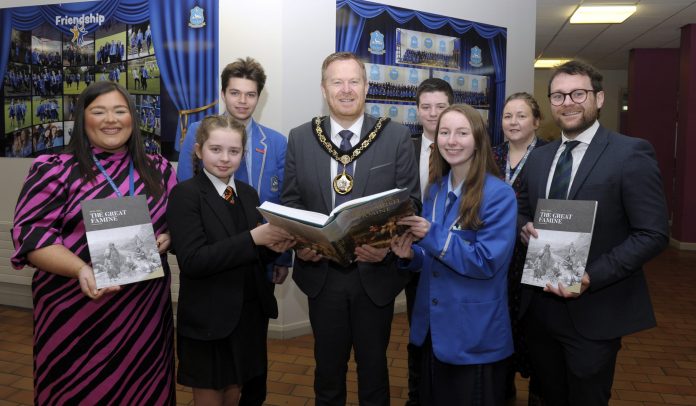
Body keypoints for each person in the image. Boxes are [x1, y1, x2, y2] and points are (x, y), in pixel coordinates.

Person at [11, 81, 177, 404]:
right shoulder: (54, 169)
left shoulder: (158, 169)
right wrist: (80, 269)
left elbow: (182, 220)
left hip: (143, 320)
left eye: (120, 110)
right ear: (82, 119)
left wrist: (171, 235)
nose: (110, 120)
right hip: (74, 317)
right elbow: (31, 235)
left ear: (133, 116)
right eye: (98, 111)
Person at [517, 60, 669, 406]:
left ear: (599, 99)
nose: (567, 102)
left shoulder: (630, 154)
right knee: (547, 394)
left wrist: (590, 277)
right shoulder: (539, 158)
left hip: (595, 308)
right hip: (540, 309)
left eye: (578, 93)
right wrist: (523, 226)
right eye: (558, 95)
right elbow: (522, 209)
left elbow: (652, 233)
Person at [281, 51, 419, 405]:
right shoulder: (300, 137)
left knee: (374, 372)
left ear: (366, 86)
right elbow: (292, 201)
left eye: (353, 81)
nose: (346, 90)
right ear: (324, 89)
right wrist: (301, 244)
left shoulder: (395, 136)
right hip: (322, 276)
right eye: (336, 82)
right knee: (327, 372)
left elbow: (410, 203)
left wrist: (387, 246)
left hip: (375, 275)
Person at [177, 57, 290, 405]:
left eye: (250, 94)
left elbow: (282, 204)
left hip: (255, 275)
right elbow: (189, 225)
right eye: (235, 92)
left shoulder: (275, 143)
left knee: (246, 378)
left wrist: (284, 248)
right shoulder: (195, 146)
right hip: (210, 281)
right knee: (214, 381)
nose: (242, 100)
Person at [391, 104, 517, 406]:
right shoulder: (434, 189)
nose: (452, 140)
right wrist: (411, 255)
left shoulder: (499, 194)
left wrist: (430, 234)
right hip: (432, 329)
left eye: (462, 133)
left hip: (472, 333)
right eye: (445, 132)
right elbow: (432, 257)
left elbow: (486, 262)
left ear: (478, 139)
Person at [492, 91, 547, 404]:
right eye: (507, 116)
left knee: (537, 340)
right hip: (498, 261)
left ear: (536, 121)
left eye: (521, 115)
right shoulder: (489, 155)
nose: (513, 122)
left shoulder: (551, 156)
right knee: (503, 337)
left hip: (534, 259)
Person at [406, 77, 453, 406]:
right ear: (417, 110)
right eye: (426, 107)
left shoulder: (466, 147)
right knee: (417, 331)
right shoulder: (404, 148)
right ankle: (416, 395)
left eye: (441, 107)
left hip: (454, 256)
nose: (433, 114)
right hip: (414, 256)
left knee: (450, 331)